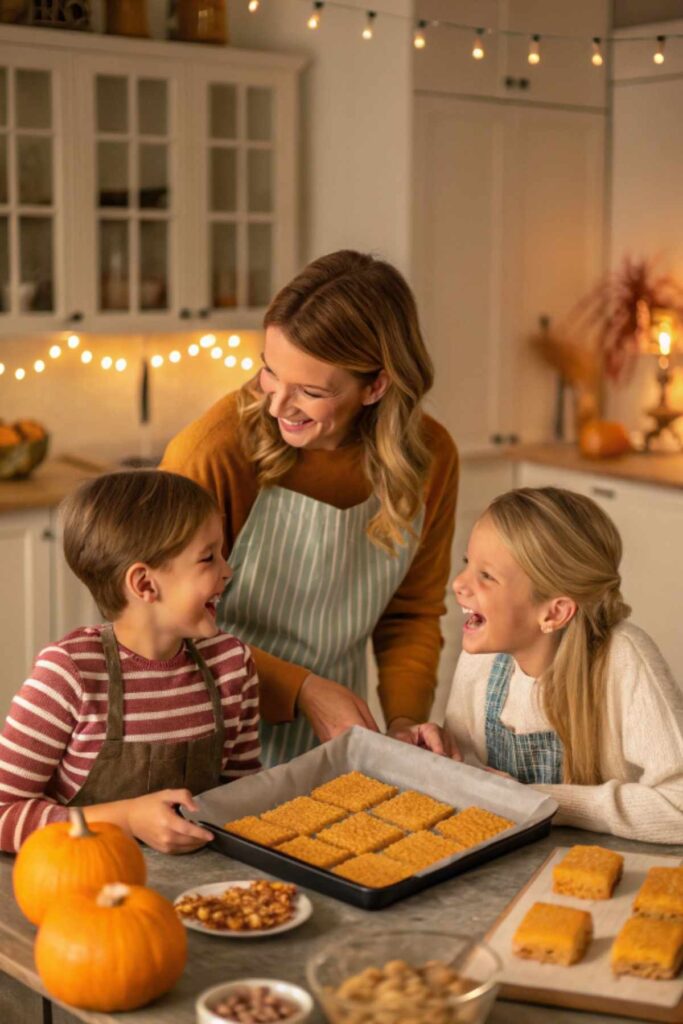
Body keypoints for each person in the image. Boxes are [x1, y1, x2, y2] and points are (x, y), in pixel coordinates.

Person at [162, 249, 459, 765]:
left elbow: (410, 614)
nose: (276, 405)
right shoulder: (213, 452)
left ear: (377, 386)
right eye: (268, 372)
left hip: (333, 743)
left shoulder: (429, 459)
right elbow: (164, 622)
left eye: (310, 391)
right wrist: (302, 690)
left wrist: (406, 721)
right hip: (206, 735)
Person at [0, 470, 260, 854]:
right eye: (208, 558)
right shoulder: (69, 675)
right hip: (84, 889)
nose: (227, 570)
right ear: (144, 584)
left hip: (203, 893)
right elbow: (4, 813)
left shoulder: (232, 665)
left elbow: (243, 799)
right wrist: (127, 819)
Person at [443, 486, 683, 844]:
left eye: (486, 576)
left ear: (554, 612)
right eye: (467, 563)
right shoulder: (482, 661)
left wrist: (546, 803)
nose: (458, 584)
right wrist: (435, 754)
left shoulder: (624, 661)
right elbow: (464, 775)